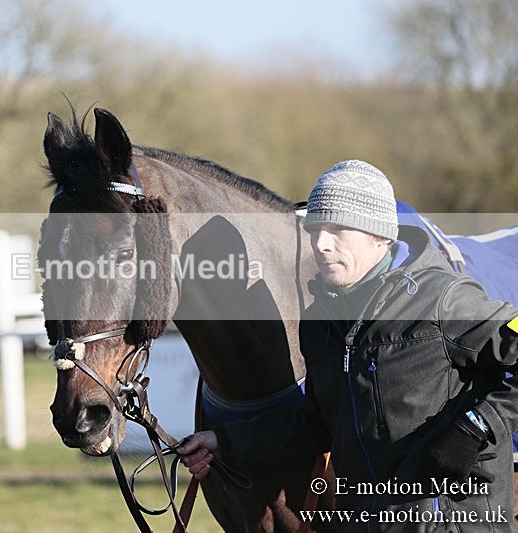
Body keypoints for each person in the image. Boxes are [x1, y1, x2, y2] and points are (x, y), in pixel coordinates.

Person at [177, 160, 518, 531]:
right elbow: (317, 424)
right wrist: (224, 440)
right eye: (315, 230)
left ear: (381, 236)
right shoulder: (320, 324)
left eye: (339, 229)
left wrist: (474, 426)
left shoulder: (443, 300)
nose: (322, 244)